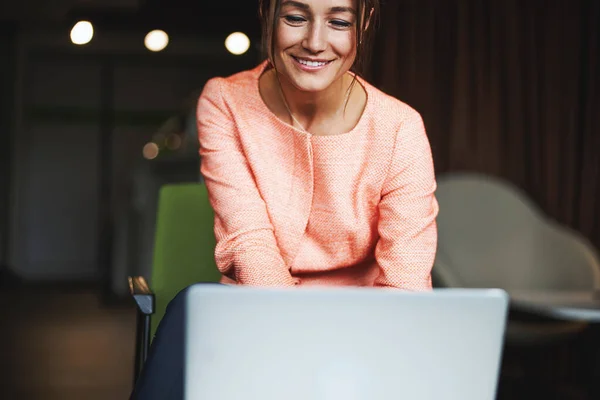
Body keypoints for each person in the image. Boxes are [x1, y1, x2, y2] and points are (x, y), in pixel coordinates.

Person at [131, 0, 438, 398]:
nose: (314, 42)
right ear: (267, 15)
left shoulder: (401, 129)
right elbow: (249, 243)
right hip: (257, 310)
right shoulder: (224, 102)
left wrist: (347, 349)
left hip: (362, 328)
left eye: (339, 22)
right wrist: (296, 343)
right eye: (295, 18)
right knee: (192, 309)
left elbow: (406, 285)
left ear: (363, 25)